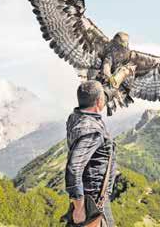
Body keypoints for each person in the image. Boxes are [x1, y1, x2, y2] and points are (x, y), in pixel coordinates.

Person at [64, 80, 117, 226]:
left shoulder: (76, 118)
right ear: (99, 101)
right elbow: (74, 169)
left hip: (93, 200)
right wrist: (80, 208)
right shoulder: (92, 131)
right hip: (92, 205)